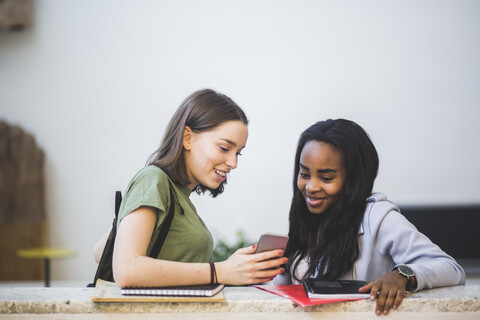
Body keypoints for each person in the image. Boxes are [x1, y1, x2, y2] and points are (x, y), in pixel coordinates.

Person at [94, 89, 287, 288]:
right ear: (188, 138)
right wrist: (220, 271)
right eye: (224, 148)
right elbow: (127, 271)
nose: (233, 163)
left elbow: (101, 252)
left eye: (238, 153)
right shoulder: (153, 179)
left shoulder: (177, 195)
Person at [274, 119, 465, 315]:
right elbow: (284, 296)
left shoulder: (378, 218)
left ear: (354, 178)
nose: (311, 187)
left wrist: (402, 276)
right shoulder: (307, 218)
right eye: (304, 174)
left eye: (326, 178)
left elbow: (450, 268)